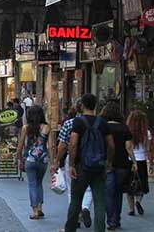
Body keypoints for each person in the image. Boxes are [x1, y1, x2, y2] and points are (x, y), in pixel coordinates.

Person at [63, 93, 114, 232]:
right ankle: (99, 229)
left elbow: (73, 144)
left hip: (81, 167)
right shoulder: (102, 122)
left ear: (82, 105)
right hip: (99, 167)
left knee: (76, 200)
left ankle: (70, 228)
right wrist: (108, 161)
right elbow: (111, 145)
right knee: (99, 201)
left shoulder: (78, 122)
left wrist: (72, 164)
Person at [51, 99, 94, 229]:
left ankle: (75, 219)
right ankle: (85, 208)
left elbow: (63, 145)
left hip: (74, 158)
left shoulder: (69, 123)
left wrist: (57, 160)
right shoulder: (97, 122)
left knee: (73, 191)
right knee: (89, 188)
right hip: (92, 158)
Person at [100, 101, 137, 231]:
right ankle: (117, 218)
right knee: (118, 193)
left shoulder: (102, 127)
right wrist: (134, 162)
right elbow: (129, 147)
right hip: (122, 164)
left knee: (108, 193)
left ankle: (111, 221)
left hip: (107, 163)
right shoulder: (124, 128)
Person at [16, 105, 51, 220]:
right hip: (43, 159)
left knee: (32, 184)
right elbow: (51, 146)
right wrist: (54, 160)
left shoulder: (26, 127)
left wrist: (18, 158)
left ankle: (35, 210)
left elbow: (21, 144)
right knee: (39, 183)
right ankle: (40, 207)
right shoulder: (46, 127)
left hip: (30, 159)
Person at [126, 110, 153, 216]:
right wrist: (150, 162)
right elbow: (148, 149)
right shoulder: (146, 133)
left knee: (129, 185)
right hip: (142, 160)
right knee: (141, 184)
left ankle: (131, 209)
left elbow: (127, 147)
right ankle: (138, 201)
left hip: (130, 160)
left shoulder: (127, 131)